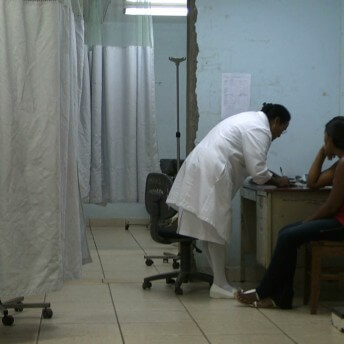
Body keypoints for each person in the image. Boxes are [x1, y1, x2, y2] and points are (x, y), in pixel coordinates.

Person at [166, 103, 292, 299]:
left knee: (208, 227)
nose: (279, 135)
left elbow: (256, 167)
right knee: (215, 227)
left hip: (204, 166)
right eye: (281, 130)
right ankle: (220, 284)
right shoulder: (261, 129)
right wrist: (280, 181)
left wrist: (274, 177)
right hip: (212, 170)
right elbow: (259, 173)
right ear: (276, 121)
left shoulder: (250, 120)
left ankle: (219, 282)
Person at [236, 116, 344, 309]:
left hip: (341, 225)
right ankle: (281, 297)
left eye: (325, 138)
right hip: (338, 221)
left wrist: (308, 221)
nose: (323, 141)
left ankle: (264, 292)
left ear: (333, 139)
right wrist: (322, 151)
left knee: (289, 236)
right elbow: (313, 182)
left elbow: (331, 206)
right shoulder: (340, 163)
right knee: (286, 232)